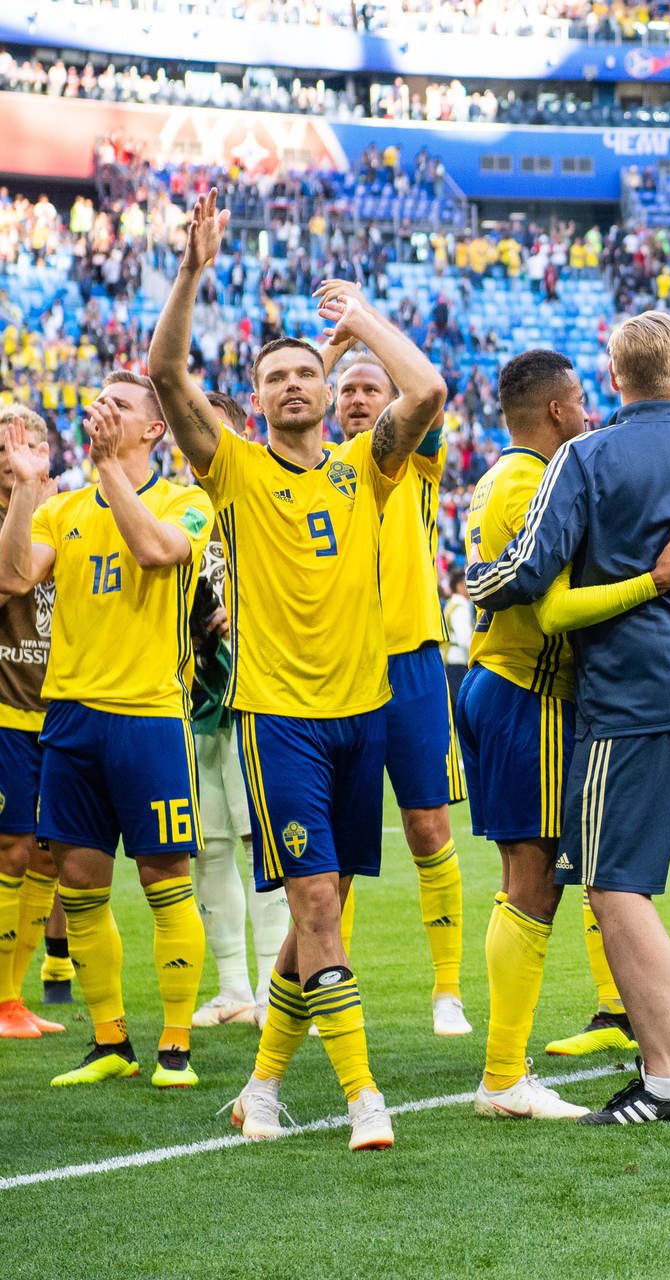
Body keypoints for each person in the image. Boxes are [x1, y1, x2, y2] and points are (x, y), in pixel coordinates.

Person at [150, 191, 444, 1151]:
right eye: (273, 376)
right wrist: (194, 269)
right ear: (259, 395)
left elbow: (428, 391)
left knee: (321, 918)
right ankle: (365, 1099)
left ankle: (263, 1089)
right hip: (278, 717)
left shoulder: (368, 465)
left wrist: (358, 322)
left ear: (325, 387)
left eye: (303, 373)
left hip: (366, 710)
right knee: (317, 906)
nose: (289, 387)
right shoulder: (231, 469)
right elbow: (164, 373)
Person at [468, 311, 670, 1125]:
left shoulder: (587, 455)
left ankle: (665, 1081)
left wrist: (477, 579)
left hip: (635, 702)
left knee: (616, 884)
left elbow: (530, 569)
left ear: (612, 381)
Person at [460, 349, 670, 1120]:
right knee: (530, 883)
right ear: (562, 412)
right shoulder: (532, 483)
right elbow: (554, 608)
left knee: (538, 880)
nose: (594, 417)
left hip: (510, 688)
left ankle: (517, 1066)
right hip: (527, 693)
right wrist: (654, 581)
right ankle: (503, 1076)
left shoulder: (502, 478)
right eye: (584, 406)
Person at [0, 378, 213, 1088]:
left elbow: (154, 550)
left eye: (119, 406)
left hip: (149, 716)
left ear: (154, 430)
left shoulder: (186, 501)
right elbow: (11, 579)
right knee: (82, 882)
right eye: (100, 401)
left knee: (164, 879)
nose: (102, 410)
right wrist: (29, 487)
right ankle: (110, 1041)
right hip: (67, 717)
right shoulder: (60, 509)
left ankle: (176, 1046)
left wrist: (106, 470)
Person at [325, 317, 469, 1037]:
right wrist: (328, 358)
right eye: (346, 388)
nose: (356, 398)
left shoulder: (412, 459)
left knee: (428, 825)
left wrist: (364, 330)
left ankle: (447, 989)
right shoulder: (313, 469)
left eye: (370, 388)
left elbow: (427, 392)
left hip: (411, 658)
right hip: (338, 666)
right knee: (339, 844)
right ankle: (330, 980)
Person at [187, 390, 289, 1031]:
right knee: (209, 845)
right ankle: (231, 988)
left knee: (260, 843)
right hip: (196, 700)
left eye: (213, 432)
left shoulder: (265, 497)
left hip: (259, 697)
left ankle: (270, 989)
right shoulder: (180, 511)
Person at [0, 406, 63, 1040]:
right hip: (6, 711)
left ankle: (15, 999)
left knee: (45, 856)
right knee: (12, 848)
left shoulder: (66, 515)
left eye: (24, 442)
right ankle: (2, 1000)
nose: (12, 452)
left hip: (60, 713)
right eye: (1, 445)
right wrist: (22, 492)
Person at [443, 580, 472, 709]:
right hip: (458, 661)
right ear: (459, 586)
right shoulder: (460, 607)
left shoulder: (451, 604)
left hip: (450, 659)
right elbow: (464, 638)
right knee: (462, 704)